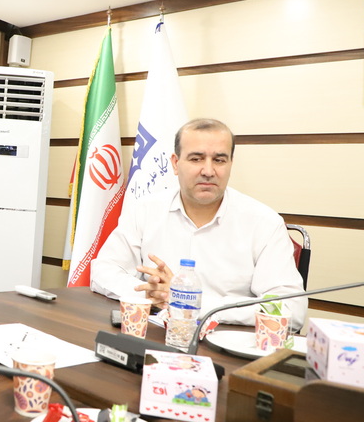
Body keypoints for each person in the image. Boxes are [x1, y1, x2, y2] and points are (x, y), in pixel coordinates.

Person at [90, 118, 307, 330]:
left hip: (226, 342)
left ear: (231, 164)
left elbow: (290, 308)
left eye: (219, 160)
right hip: (156, 334)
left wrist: (189, 300)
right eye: (196, 159)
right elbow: (103, 271)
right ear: (175, 163)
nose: (208, 171)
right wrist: (150, 292)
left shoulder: (264, 223)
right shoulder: (145, 210)